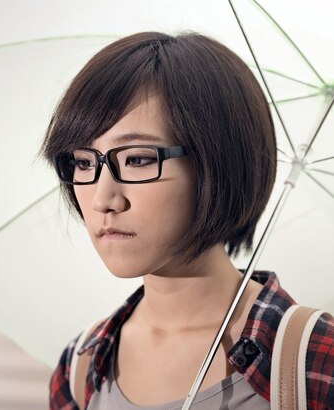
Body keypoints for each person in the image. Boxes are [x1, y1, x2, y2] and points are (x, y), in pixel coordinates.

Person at [41, 32, 334, 409]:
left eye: (137, 159)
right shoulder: (80, 367)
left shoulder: (312, 361)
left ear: (217, 164)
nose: (103, 199)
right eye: (83, 163)